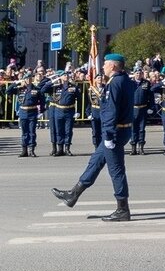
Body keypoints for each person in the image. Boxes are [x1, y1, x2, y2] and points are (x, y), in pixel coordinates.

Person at [52, 54, 136, 221]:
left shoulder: (115, 83)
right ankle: (73, 194)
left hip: (115, 132)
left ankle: (123, 209)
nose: (102, 67)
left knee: (116, 170)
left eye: (105, 64)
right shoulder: (124, 80)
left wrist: (109, 136)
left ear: (113, 66)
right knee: (95, 162)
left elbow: (111, 111)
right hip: (119, 130)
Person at [40, 70, 81, 156]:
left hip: (69, 111)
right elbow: (42, 90)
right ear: (60, 77)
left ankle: (67, 148)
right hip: (58, 110)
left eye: (67, 75)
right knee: (58, 130)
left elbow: (80, 99)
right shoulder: (55, 86)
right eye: (64, 75)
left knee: (68, 130)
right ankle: (60, 149)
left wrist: (79, 111)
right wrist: (52, 81)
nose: (66, 76)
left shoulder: (73, 87)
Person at [6, 72, 43, 157]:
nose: (28, 80)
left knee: (32, 132)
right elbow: (8, 91)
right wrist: (16, 83)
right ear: (24, 79)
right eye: (26, 78)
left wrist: (41, 111)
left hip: (32, 112)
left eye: (30, 78)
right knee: (24, 132)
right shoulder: (20, 88)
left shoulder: (36, 89)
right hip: (23, 112)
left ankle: (31, 150)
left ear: (32, 79)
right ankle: (24, 150)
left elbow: (42, 101)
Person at [130, 69, 154, 155]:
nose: (138, 74)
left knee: (141, 129)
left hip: (143, 108)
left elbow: (151, 96)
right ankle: (133, 148)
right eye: (136, 73)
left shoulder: (146, 83)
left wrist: (151, 107)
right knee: (133, 129)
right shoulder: (130, 83)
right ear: (134, 74)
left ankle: (141, 147)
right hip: (133, 109)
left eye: (140, 73)